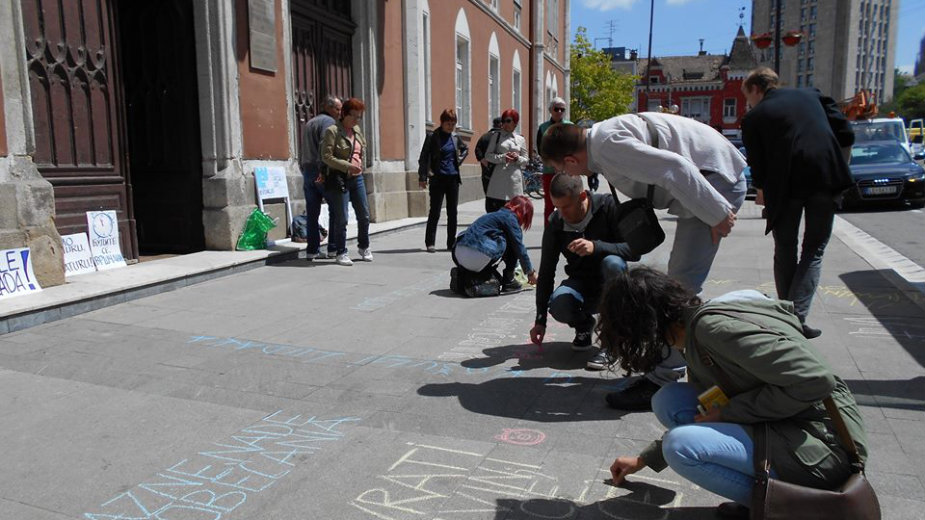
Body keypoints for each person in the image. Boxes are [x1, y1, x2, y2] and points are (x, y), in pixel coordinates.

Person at [601, 266, 867, 519]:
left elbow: (815, 380)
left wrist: (728, 413)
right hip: (788, 421)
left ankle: (785, 506)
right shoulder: (694, 329)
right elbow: (711, 406)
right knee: (668, 400)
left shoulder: (712, 331)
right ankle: (768, 490)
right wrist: (645, 459)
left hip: (824, 447)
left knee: (681, 448)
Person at [539, 113, 747, 411]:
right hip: (707, 184)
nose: (565, 172)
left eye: (560, 167)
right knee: (679, 285)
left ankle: (669, 377)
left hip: (714, 186)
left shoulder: (608, 145)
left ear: (571, 160)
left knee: (681, 287)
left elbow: (675, 168)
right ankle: (678, 364)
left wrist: (716, 213)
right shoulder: (602, 142)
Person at [741, 67, 855, 339]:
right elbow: (847, 133)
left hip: (785, 186)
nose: (748, 103)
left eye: (747, 97)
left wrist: (761, 189)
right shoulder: (812, 95)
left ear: (757, 89)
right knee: (813, 250)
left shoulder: (754, 118)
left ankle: (789, 318)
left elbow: (757, 164)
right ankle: (796, 316)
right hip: (825, 176)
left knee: (785, 248)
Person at [529, 174, 636, 369]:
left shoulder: (607, 207)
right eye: (557, 207)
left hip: (613, 284)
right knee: (560, 302)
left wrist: (596, 247)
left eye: (566, 206)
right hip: (582, 284)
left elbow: (634, 249)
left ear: (583, 196)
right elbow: (546, 272)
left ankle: (613, 342)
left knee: (612, 263)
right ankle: (584, 326)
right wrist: (540, 320)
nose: (562, 213)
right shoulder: (556, 223)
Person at [321, 97, 372, 266]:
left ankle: (364, 246)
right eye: (354, 116)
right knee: (341, 218)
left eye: (359, 116)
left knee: (364, 215)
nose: (356, 120)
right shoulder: (333, 131)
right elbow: (326, 157)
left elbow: (360, 150)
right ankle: (341, 252)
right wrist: (348, 166)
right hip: (339, 178)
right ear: (344, 114)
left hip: (357, 179)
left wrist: (360, 165)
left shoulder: (356, 130)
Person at [453, 195, 538, 292]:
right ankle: (509, 280)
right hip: (478, 255)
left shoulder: (493, 215)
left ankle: (467, 273)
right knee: (512, 241)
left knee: (497, 240)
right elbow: (520, 248)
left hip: (458, 254)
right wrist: (531, 273)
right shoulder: (511, 218)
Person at [418, 109, 469, 253]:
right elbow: (423, 157)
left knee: (453, 212)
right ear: (442, 122)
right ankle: (430, 242)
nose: (451, 126)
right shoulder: (433, 136)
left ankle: (451, 243)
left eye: (453, 124)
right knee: (435, 211)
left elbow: (465, 149)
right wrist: (422, 176)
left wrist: (458, 161)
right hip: (438, 178)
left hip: (453, 178)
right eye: (448, 123)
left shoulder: (455, 137)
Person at [300, 95, 341, 260]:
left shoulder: (310, 122)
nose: (340, 112)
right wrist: (324, 171)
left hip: (308, 170)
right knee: (336, 209)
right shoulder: (329, 123)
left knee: (312, 212)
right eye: (337, 108)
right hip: (320, 170)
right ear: (329, 107)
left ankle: (312, 250)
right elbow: (326, 147)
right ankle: (333, 248)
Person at [536, 97, 572, 225]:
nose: (559, 111)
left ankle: (568, 232)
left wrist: (563, 164)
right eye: (556, 109)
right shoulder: (543, 128)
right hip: (549, 172)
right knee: (550, 205)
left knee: (568, 203)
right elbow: (541, 150)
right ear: (550, 110)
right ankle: (549, 235)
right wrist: (553, 163)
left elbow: (574, 148)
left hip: (568, 172)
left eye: (562, 109)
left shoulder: (570, 126)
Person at [484, 109, 528, 213]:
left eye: (508, 121)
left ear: (515, 122)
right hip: (499, 179)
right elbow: (488, 155)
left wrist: (517, 158)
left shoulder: (520, 139)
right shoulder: (497, 136)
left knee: (516, 212)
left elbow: (526, 160)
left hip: (515, 180)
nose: (504, 124)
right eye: (503, 121)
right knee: (497, 211)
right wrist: (503, 157)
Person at [475, 117, 503, 202]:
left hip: (487, 173)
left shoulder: (484, 137)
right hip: (501, 173)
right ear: (501, 125)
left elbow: (477, 150)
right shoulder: (503, 137)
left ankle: (491, 214)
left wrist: (484, 161)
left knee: (489, 198)